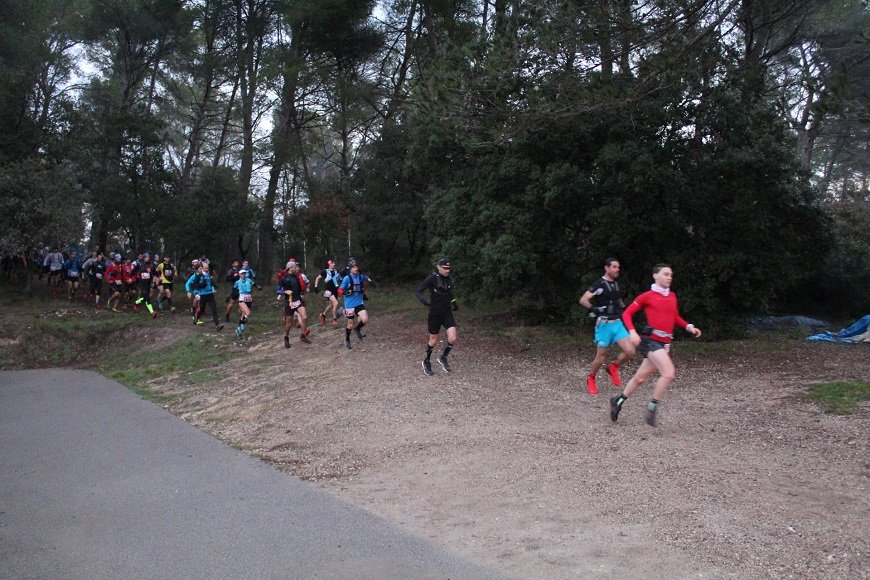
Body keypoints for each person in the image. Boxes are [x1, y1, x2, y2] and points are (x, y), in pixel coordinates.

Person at [610, 263, 702, 427]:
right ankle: (652, 408)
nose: (669, 277)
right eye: (666, 274)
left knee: (640, 378)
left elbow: (674, 317)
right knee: (669, 373)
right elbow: (627, 313)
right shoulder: (647, 296)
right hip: (650, 341)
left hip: (665, 343)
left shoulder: (672, 296)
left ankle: (618, 401)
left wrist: (689, 326)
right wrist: (632, 332)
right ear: (655, 276)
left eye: (671, 275)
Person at [578, 258, 636, 394]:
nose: (617, 269)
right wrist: (595, 309)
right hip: (604, 325)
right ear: (607, 268)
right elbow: (583, 300)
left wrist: (624, 307)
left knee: (630, 351)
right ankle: (591, 378)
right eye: (614, 267)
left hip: (617, 323)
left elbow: (618, 299)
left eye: (618, 267)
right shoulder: (599, 284)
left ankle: (613, 367)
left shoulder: (615, 284)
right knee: (601, 356)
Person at [415, 258, 459, 375]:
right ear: (438, 267)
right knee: (433, 340)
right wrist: (425, 301)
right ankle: (427, 361)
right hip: (435, 313)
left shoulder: (449, 279)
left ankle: (443, 357)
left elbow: (449, 292)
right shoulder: (432, 278)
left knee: (453, 338)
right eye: (444, 268)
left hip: (447, 312)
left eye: (448, 268)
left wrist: (454, 303)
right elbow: (418, 291)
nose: (447, 270)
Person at [277, 260, 311, 347]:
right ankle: (286, 338)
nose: (297, 268)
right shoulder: (284, 278)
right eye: (295, 267)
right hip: (289, 302)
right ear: (290, 268)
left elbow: (300, 288)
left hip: (298, 300)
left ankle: (303, 336)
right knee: (289, 323)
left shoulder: (297, 277)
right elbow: (278, 290)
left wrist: (305, 290)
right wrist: (285, 291)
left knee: (305, 317)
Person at [338, 261, 370, 350]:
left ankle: (357, 329)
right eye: (354, 267)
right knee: (350, 324)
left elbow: (363, 286)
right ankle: (347, 340)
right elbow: (339, 290)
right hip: (349, 305)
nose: (356, 269)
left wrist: (364, 294)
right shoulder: (347, 279)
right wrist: (346, 292)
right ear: (350, 269)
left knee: (365, 319)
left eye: (356, 267)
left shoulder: (360, 276)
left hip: (359, 302)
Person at [185, 261, 223, 330]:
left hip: (210, 294)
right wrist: (189, 291)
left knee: (214, 310)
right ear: (201, 268)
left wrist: (214, 287)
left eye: (207, 268)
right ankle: (196, 317)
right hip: (202, 294)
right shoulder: (197, 275)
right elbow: (193, 284)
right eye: (205, 268)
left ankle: (217, 325)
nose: (207, 269)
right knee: (201, 310)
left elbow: (210, 282)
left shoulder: (209, 274)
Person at [314, 259, 341, 325]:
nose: (334, 264)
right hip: (328, 290)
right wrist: (316, 287)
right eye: (332, 263)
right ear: (329, 264)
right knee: (336, 303)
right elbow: (317, 278)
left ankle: (323, 315)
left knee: (330, 306)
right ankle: (334, 319)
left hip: (335, 290)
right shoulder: (325, 271)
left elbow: (340, 279)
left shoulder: (337, 271)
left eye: (334, 263)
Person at [233, 268, 254, 337]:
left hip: (249, 299)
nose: (243, 275)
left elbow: (254, 284)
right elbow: (234, 290)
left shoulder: (249, 280)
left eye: (244, 273)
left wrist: (258, 287)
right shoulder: (237, 282)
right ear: (239, 275)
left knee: (243, 314)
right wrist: (231, 297)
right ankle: (241, 326)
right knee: (248, 313)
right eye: (242, 274)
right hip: (242, 299)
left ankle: (238, 329)